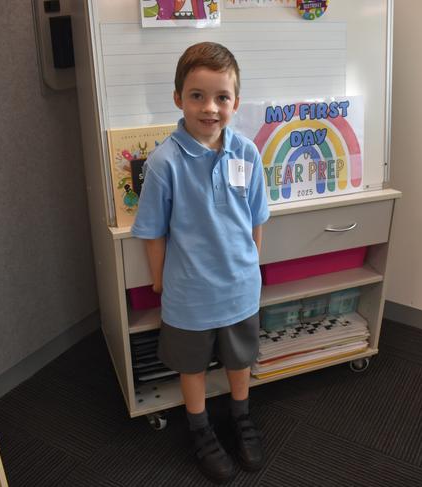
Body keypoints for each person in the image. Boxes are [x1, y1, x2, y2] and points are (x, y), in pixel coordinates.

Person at [131, 42, 270, 483]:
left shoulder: (247, 153)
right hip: (188, 294)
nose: (210, 108)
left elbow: (256, 220)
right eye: (197, 96)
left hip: (239, 288)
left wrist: (252, 267)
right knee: (191, 367)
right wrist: (159, 282)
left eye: (221, 97)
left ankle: (241, 418)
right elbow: (152, 232)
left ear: (236, 102)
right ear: (178, 98)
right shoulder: (164, 163)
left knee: (239, 360)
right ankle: (200, 429)